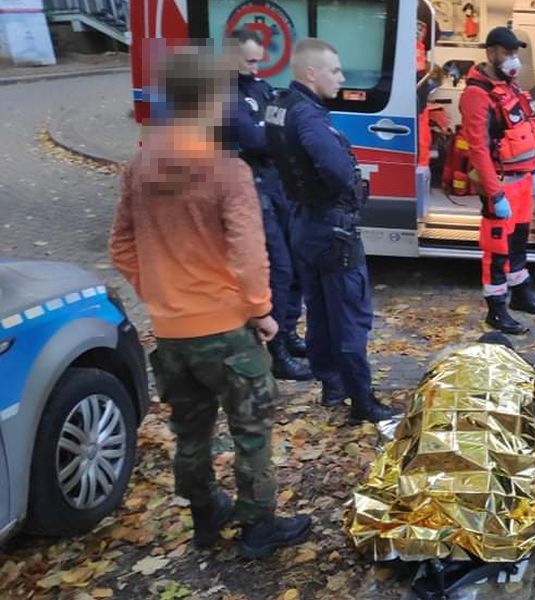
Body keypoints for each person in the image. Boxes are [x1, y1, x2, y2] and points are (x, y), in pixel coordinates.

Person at [109, 46, 311, 558]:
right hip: (226, 330)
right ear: (211, 99)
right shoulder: (227, 171)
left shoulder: (139, 167)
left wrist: (160, 294)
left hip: (172, 332)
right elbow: (249, 251)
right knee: (251, 429)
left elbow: (121, 246)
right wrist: (262, 311)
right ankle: (258, 526)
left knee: (190, 431)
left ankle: (205, 516)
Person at [264, 38, 400, 424]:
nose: (341, 78)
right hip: (332, 228)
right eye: (335, 71)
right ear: (312, 73)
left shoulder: (281, 105)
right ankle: (362, 400)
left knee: (320, 312)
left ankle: (332, 387)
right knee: (350, 316)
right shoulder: (310, 117)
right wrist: (346, 192)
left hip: (304, 223)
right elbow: (338, 171)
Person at [225, 28, 311, 382]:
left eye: (258, 60)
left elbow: (279, 125)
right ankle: (275, 351)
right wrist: (275, 130)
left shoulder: (260, 88)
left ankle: (287, 333)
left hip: (278, 184)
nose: (256, 67)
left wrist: (273, 130)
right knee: (279, 269)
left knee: (296, 266)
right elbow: (254, 138)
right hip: (251, 188)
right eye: (250, 61)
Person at [458, 26, 535, 335]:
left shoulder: (510, 87)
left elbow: (526, 132)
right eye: (508, 53)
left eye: (515, 53)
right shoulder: (477, 94)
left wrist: (534, 172)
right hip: (502, 183)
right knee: (497, 248)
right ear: (491, 53)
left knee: (518, 241)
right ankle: (496, 310)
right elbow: (478, 148)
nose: (513, 59)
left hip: (523, 181)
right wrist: (495, 194)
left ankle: (520, 293)